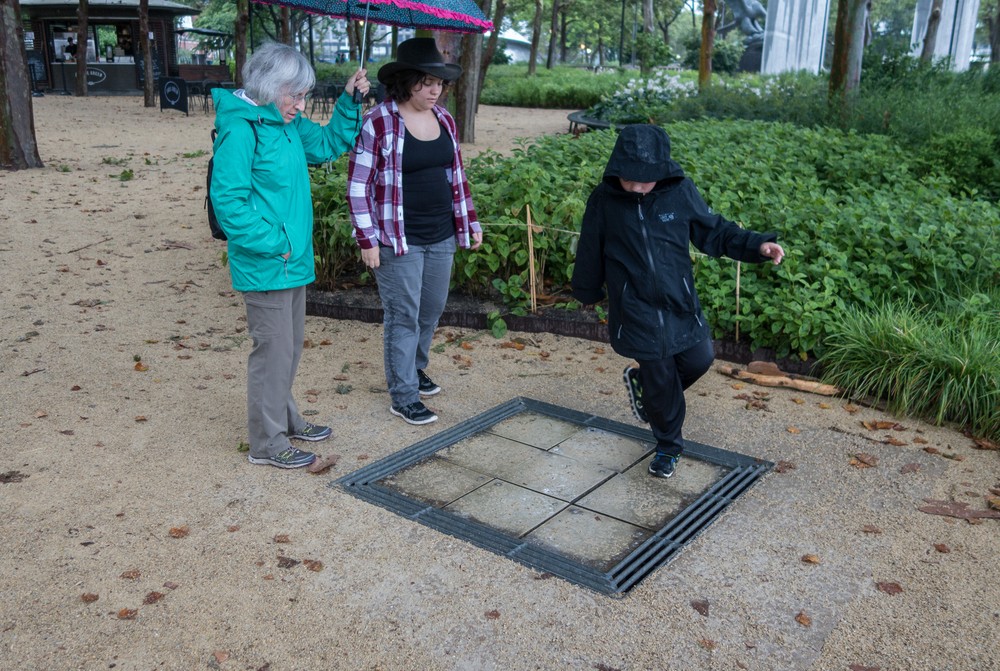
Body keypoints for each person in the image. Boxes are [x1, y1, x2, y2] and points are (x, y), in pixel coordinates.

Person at [571, 124, 785, 479]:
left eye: (647, 179)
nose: (638, 186)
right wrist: (587, 291)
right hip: (634, 306)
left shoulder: (679, 192)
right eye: (631, 178)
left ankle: (650, 391)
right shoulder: (604, 200)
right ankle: (668, 446)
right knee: (661, 376)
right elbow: (592, 247)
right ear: (616, 169)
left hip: (679, 300)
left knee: (700, 358)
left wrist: (756, 246)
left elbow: (714, 230)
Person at [210, 42, 370, 469]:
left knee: (289, 349)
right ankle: (267, 443)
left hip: (291, 261)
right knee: (273, 352)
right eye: (294, 95)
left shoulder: (285, 123)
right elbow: (228, 203)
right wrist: (277, 242)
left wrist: (349, 100)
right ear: (267, 86)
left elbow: (329, 144)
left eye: (303, 95)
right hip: (268, 262)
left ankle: (286, 418)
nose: (300, 105)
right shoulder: (242, 129)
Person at [348, 38, 483, 426]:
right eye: (425, 83)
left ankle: (415, 367)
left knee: (431, 310)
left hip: (441, 234)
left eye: (439, 82)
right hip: (396, 238)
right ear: (406, 82)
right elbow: (358, 185)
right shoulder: (380, 120)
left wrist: (469, 222)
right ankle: (404, 394)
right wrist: (367, 239)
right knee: (403, 315)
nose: (434, 90)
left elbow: (456, 177)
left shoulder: (446, 120)